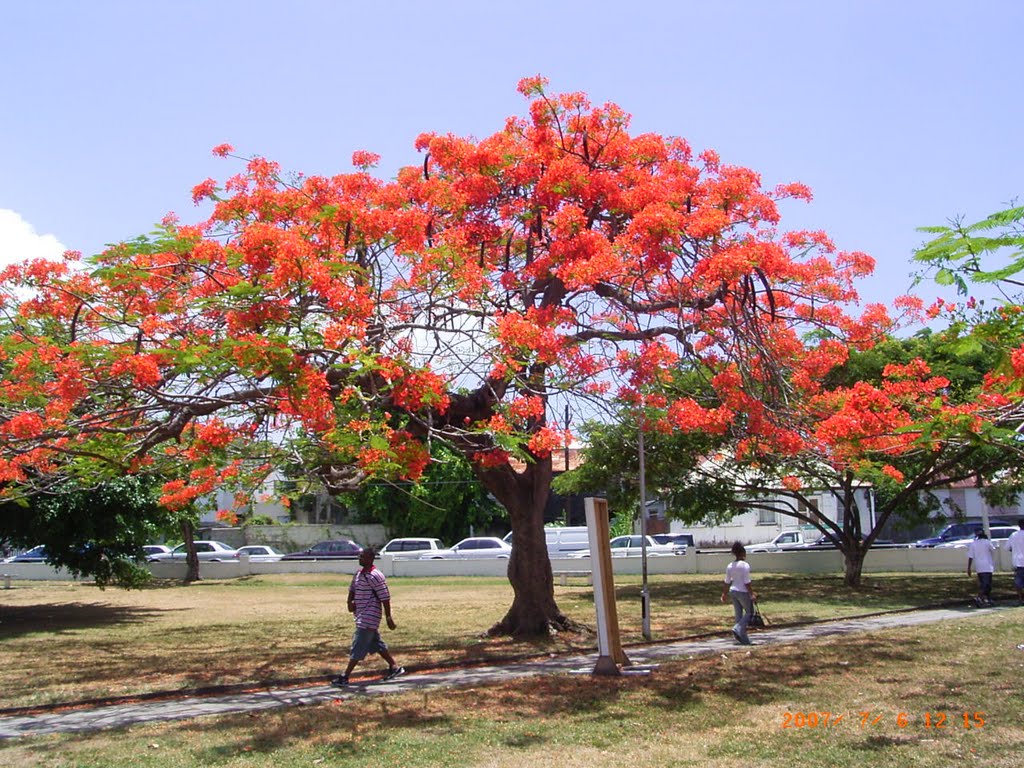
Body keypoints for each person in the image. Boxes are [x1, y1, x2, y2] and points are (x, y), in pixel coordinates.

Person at [332, 547, 405, 686]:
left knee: (358, 645)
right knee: (375, 643)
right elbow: (352, 589)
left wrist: (388, 616)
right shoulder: (358, 574)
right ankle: (394, 667)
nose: (360, 559)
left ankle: (345, 676)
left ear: (370, 559)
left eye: (363, 557)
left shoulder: (376, 575)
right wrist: (349, 602)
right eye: (359, 556)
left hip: (369, 616)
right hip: (360, 614)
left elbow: (385, 597)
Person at [721, 541, 756, 645]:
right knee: (750, 613)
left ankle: (743, 640)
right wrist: (752, 594)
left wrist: (724, 593)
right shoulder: (745, 565)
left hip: (733, 591)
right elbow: (747, 582)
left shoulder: (730, 566)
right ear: (743, 553)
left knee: (739, 616)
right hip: (743, 592)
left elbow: (727, 581)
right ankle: (737, 629)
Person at [966, 530, 996, 607]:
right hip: (987, 566)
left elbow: (970, 557)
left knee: (983, 583)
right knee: (986, 584)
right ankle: (979, 597)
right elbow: (993, 549)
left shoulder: (973, 544)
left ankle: (986, 599)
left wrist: (969, 568)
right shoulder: (987, 542)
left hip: (979, 567)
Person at [1006, 518, 1024, 605]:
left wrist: (1015, 550)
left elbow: (1007, 548)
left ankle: (1020, 599)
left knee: (1018, 582)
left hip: (1018, 562)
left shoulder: (1013, 535)